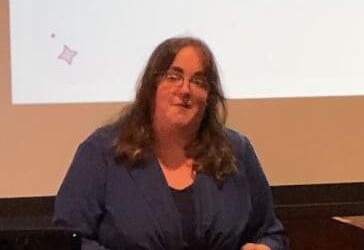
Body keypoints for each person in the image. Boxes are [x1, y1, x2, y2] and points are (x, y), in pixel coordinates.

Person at [53, 37, 288, 250]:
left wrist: (266, 248)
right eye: (173, 76)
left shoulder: (236, 151)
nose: (185, 89)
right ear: (151, 87)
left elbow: (270, 233)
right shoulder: (103, 151)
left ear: (209, 96)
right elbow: (69, 240)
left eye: (198, 81)